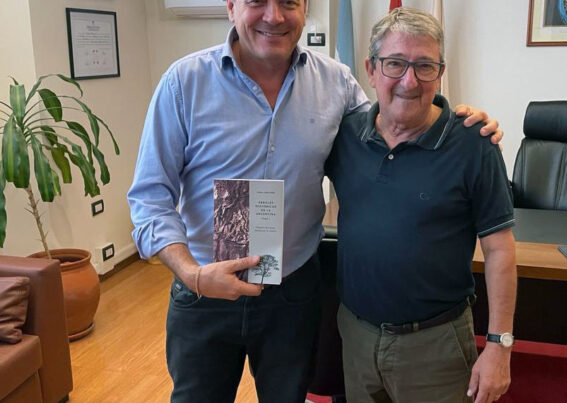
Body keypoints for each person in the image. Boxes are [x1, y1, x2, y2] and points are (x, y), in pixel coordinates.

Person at [127, 1, 502, 402]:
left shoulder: (336, 83)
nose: (274, 16)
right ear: (232, 7)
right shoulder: (184, 83)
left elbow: (389, 130)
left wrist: (457, 124)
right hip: (204, 290)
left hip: (292, 297)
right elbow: (150, 198)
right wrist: (192, 274)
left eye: (289, 2)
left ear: (305, 8)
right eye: (257, 1)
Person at [326, 7, 517, 403]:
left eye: (425, 66)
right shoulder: (345, 135)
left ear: (440, 72)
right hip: (356, 336)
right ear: (371, 70)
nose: (409, 81)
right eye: (395, 63)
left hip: (435, 344)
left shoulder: (474, 144)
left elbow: (499, 250)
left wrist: (500, 345)